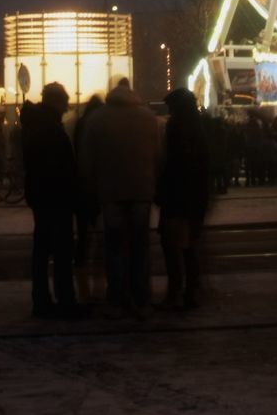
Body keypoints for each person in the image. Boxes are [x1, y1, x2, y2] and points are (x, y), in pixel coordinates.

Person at [79, 78, 159, 317]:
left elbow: (87, 161)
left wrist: (90, 189)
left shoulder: (97, 119)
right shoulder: (148, 118)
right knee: (140, 246)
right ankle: (140, 295)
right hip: (141, 193)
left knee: (114, 247)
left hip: (110, 194)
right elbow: (159, 156)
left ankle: (117, 294)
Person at [20, 82, 82, 318]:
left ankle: (42, 300)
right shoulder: (51, 129)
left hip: (41, 195)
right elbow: (62, 167)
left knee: (42, 251)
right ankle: (65, 301)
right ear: (56, 102)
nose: (66, 109)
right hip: (56, 197)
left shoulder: (35, 124)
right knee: (63, 252)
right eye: (64, 104)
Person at [156, 89, 210, 310]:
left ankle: (176, 291)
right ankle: (191, 290)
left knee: (171, 245)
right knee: (189, 246)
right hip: (194, 197)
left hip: (176, 197)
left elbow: (170, 164)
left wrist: (161, 191)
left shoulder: (175, 129)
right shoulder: (198, 128)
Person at [72, 94, 103, 304]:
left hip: (82, 188)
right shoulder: (101, 126)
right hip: (101, 188)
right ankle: (99, 284)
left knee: (83, 238)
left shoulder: (81, 124)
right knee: (103, 238)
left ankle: (83, 288)